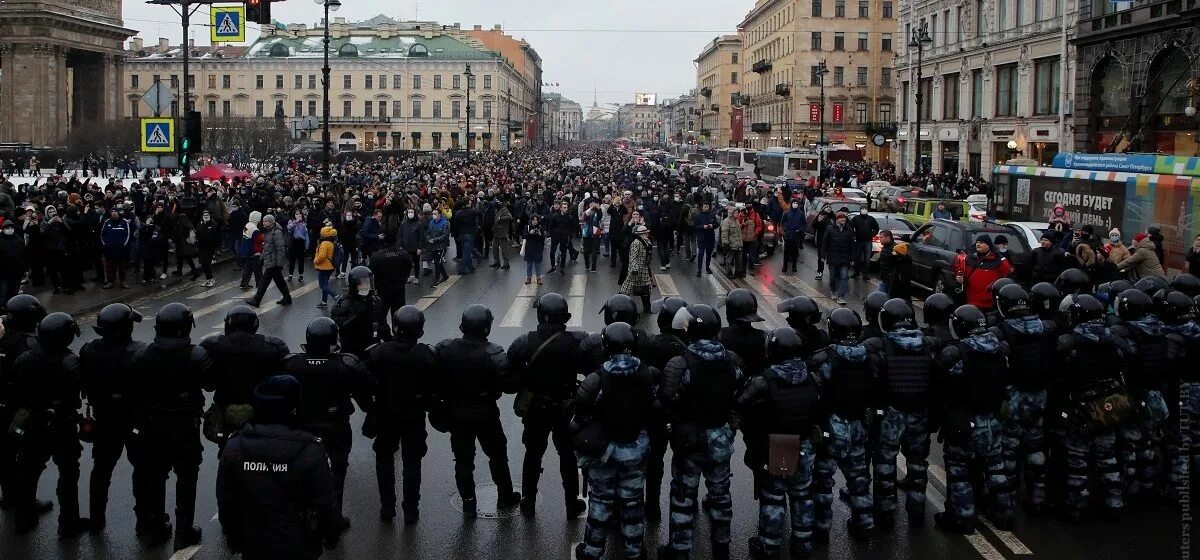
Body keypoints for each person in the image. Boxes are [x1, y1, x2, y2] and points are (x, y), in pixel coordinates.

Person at [216, 375, 343, 560]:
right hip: (299, 544)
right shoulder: (310, 450)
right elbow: (324, 500)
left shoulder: (235, 447)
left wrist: (232, 535)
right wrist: (331, 534)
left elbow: (226, 499)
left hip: (254, 543)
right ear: (294, 408)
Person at [658, 304, 743, 560]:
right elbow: (740, 393)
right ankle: (721, 548)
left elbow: (665, 399)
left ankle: (680, 550)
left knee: (683, 497)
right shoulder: (732, 360)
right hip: (720, 437)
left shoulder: (680, 363)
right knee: (720, 495)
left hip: (689, 439)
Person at [571, 321, 660, 560]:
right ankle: (634, 550)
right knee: (633, 503)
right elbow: (656, 406)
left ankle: (591, 551)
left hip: (604, 452)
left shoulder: (597, 378)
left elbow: (580, 408)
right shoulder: (648, 374)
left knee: (600, 502)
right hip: (634, 450)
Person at [130, 303, 214, 549]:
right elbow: (210, 385)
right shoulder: (196, 355)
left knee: (154, 476)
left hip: (152, 425)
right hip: (185, 426)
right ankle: (184, 531)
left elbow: (136, 392)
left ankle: (154, 527)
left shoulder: (143, 354)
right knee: (187, 478)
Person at [280, 317, 373, 532]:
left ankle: (301, 514)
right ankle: (334, 518)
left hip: (302, 429)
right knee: (337, 472)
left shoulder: (292, 364)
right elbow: (365, 391)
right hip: (336, 427)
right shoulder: (345, 364)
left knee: (299, 472)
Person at [738, 327, 821, 559]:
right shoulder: (812, 377)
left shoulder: (765, 380)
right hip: (805, 443)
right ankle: (803, 543)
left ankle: (769, 545)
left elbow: (741, 405)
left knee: (774, 497)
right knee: (802, 495)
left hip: (782, 445)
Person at [433, 304, 521, 518]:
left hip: (456, 413)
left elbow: (433, 375)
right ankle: (505, 496)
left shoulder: (446, 348)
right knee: (498, 455)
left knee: (463, 460)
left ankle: (468, 503)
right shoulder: (493, 353)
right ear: (486, 327)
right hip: (486, 413)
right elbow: (509, 386)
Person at [932, 305, 1014, 533]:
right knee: (996, 468)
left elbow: (941, 385)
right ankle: (1005, 514)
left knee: (960, 472)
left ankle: (962, 519)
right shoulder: (999, 350)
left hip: (963, 422)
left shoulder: (956, 354)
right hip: (993, 419)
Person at [507, 293, 588, 518]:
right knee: (567, 456)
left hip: (536, 409)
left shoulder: (524, 341)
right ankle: (572, 504)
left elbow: (507, 370)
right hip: (564, 408)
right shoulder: (576, 340)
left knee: (532, 453)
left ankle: (528, 501)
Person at [1053, 293, 1131, 522]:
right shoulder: (1114, 338)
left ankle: (1075, 506)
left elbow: (1063, 374)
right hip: (1110, 405)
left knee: (1078, 459)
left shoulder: (1072, 342)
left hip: (1081, 407)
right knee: (1108, 457)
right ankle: (1115, 502)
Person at [10, 312, 88, 537]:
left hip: (31, 422)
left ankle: (23, 519)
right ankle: (69, 522)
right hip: (61, 424)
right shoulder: (70, 362)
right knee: (68, 473)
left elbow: (16, 388)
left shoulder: (25, 358)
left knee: (28, 471)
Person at [863, 299, 937, 529]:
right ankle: (917, 510)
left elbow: (873, 383)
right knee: (917, 464)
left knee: (885, 463)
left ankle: (885, 512)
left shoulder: (879, 345)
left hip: (891, 414)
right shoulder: (928, 344)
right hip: (920, 412)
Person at [808, 307, 877, 542]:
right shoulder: (871, 358)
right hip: (858, 424)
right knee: (859, 478)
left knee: (822, 482)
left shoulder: (824, 359)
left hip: (832, 426)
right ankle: (864, 524)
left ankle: (821, 527)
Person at [78, 304, 148, 531]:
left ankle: (97, 519)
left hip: (104, 418)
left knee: (100, 470)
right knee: (142, 469)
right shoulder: (140, 353)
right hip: (134, 420)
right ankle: (144, 521)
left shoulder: (88, 350)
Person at [364, 306, 436, 524]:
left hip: (385, 415)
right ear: (420, 330)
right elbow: (435, 386)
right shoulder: (426, 355)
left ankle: (387, 507)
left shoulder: (377, 352)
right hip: (413, 416)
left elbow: (363, 380)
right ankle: (411, 510)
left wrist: (372, 405)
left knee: (384, 459)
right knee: (412, 463)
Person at [1108, 289, 1171, 501]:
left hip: (1134, 393)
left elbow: (1123, 358)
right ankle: (1149, 483)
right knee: (1149, 441)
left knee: (1129, 444)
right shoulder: (1160, 330)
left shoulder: (1129, 333)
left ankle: (1130, 487)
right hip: (1155, 393)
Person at [199, 305, 289, 448]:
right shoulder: (273, 346)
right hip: (261, 413)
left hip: (225, 413)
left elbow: (207, 385)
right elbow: (284, 381)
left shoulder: (212, 345)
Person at [331, 266, 388, 359]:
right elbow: (341, 329)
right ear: (354, 285)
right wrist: (357, 316)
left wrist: (390, 342)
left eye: (368, 284)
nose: (365, 287)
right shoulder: (343, 304)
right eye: (361, 284)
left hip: (373, 347)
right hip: (351, 351)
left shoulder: (375, 301)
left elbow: (382, 324)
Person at [245, 214, 293, 307]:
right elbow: (266, 247)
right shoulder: (268, 231)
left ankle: (257, 300)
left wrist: (279, 264)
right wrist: (262, 257)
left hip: (273, 262)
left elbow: (280, 249)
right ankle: (287, 298)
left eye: (265, 221)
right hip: (270, 260)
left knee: (264, 281)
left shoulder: (276, 232)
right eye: (263, 221)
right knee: (279, 281)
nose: (263, 222)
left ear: (271, 222)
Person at [955, 234, 1012, 311]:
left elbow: (1006, 277)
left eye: (981, 242)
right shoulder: (969, 258)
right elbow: (962, 274)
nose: (978, 244)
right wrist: (959, 279)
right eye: (977, 242)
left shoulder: (999, 260)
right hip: (971, 302)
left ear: (988, 245)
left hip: (990, 305)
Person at [368, 241, 413, 317]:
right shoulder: (403, 254)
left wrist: (372, 290)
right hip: (399, 289)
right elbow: (409, 265)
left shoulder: (377, 256)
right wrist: (404, 278)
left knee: (381, 317)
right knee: (399, 316)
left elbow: (369, 274)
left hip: (382, 289)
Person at [821, 212, 855, 305]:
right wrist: (823, 256)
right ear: (837, 220)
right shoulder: (830, 228)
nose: (843, 220)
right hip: (833, 257)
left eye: (844, 218)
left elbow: (852, 245)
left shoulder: (849, 230)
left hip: (845, 258)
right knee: (832, 277)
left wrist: (852, 259)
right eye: (841, 218)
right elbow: (825, 243)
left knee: (844, 276)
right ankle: (833, 290)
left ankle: (841, 296)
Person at [620, 225, 654, 313]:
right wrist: (634, 269)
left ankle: (647, 307)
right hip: (636, 270)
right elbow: (632, 257)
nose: (647, 233)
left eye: (646, 232)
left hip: (644, 269)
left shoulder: (647, 241)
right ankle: (618, 303)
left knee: (646, 288)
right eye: (645, 232)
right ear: (640, 234)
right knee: (627, 288)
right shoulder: (636, 243)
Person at [99, 206, 132, 289]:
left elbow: (127, 234)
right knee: (110, 267)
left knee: (121, 266)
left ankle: (123, 281)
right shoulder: (107, 222)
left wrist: (123, 245)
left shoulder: (124, 222)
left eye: (115, 211)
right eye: (112, 211)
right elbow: (102, 234)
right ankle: (110, 281)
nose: (113, 213)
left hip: (120, 249)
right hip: (109, 249)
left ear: (118, 212)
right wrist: (105, 244)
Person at [398, 207, 426, 284]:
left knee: (416, 263)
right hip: (405, 248)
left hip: (415, 247)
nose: (410, 214)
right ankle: (407, 277)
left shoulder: (418, 224)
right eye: (409, 212)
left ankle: (416, 277)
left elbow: (421, 237)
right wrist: (400, 245)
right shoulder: (403, 224)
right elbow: (400, 235)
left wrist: (419, 248)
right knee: (406, 263)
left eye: (412, 212)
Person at [849, 208, 879, 279]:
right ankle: (856, 272)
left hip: (868, 241)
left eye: (865, 209)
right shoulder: (856, 218)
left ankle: (866, 274)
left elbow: (876, 228)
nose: (864, 210)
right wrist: (854, 235)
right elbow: (850, 227)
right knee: (858, 257)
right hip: (859, 241)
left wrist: (872, 234)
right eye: (863, 209)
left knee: (867, 258)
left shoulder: (871, 219)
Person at [313, 225, 339, 308]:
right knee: (325, 284)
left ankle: (336, 296)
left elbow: (321, 256)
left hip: (324, 267)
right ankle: (324, 302)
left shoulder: (324, 243)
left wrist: (315, 260)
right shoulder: (331, 242)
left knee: (322, 285)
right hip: (330, 266)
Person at [196, 209, 221, 287]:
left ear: (210, 216)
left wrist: (215, 249)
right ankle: (207, 279)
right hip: (201, 248)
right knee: (203, 264)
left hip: (210, 248)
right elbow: (197, 234)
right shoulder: (200, 224)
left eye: (207, 215)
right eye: (204, 215)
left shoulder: (214, 225)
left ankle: (211, 278)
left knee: (207, 264)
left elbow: (217, 238)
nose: (205, 216)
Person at [427, 208, 451, 285]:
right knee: (438, 263)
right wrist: (428, 238)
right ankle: (445, 275)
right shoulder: (431, 222)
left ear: (440, 214)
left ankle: (436, 279)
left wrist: (434, 240)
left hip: (441, 246)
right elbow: (428, 232)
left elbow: (445, 235)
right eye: (433, 214)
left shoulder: (445, 223)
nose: (433, 215)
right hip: (433, 246)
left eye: (435, 214)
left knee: (437, 262)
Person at [719, 206, 745, 278]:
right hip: (731, 244)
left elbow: (738, 232)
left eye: (737, 212)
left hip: (738, 244)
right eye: (736, 212)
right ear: (731, 213)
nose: (737, 214)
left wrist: (742, 225)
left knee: (739, 259)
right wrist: (726, 243)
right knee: (729, 259)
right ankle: (729, 273)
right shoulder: (726, 221)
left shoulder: (736, 221)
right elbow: (724, 233)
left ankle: (738, 272)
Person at [694, 200, 718, 277]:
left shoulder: (712, 214)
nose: (706, 208)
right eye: (705, 207)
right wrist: (702, 227)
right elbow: (695, 226)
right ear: (702, 207)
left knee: (708, 254)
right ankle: (699, 270)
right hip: (701, 237)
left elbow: (716, 224)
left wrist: (712, 226)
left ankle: (707, 267)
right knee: (701, 254)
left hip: (710, 237)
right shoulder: (698, 215)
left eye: (707, 206)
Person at [522, 214, 546, 285]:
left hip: (538, 248)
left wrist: (539, 234)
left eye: (536, 220)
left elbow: (543, 238)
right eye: (533, 220)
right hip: (529, 248)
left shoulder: (540, 228)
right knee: (529, 264)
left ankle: (538, 278)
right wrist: (530, 233)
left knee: (537, 264)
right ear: (531, 220)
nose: (535, 222)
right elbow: (524, 236)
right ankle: (529, 277)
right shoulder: (528, 227)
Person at [286, 209, 310, 282]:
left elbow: (306, 235)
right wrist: (295, 222)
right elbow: (289, 228)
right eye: (296, 214)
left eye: (300, 214)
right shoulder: (291, 222)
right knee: (292, 259)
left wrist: (307, 245)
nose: (298, 216)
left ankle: (301, 275)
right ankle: (290, 274)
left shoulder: (303, 223)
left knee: (301, 260)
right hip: (293, 242)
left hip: (301, 242)